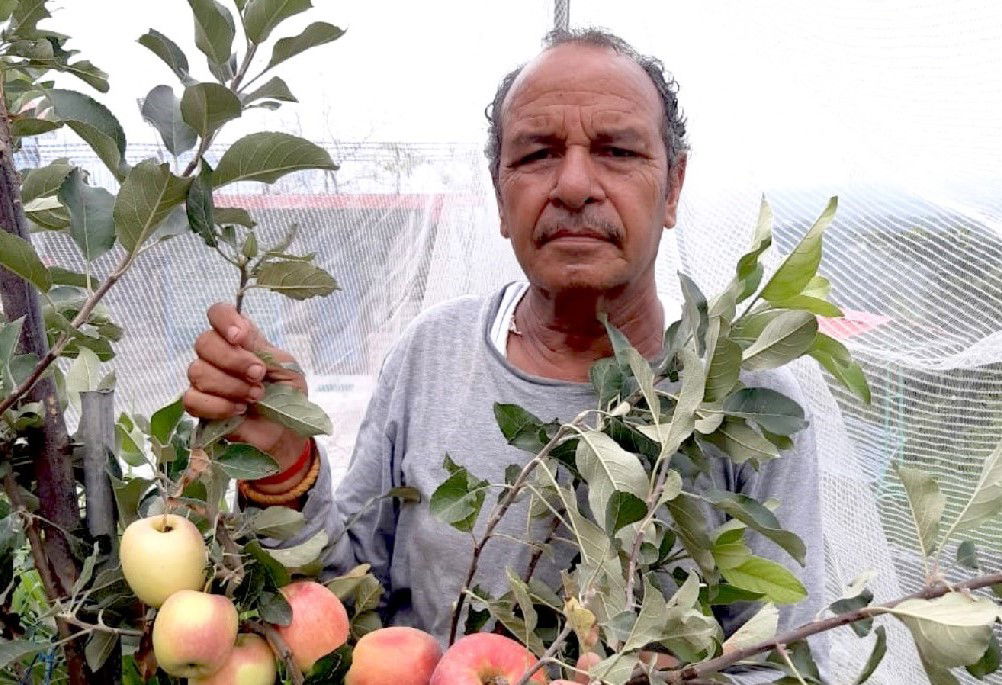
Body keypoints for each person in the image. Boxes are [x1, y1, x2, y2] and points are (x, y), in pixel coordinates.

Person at [183, 28, 826, 681]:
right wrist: (283, 468)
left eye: (618, 150)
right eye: (538, 154)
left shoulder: (748, 401)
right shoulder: (432, 355)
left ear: (673, 186)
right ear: (498, 195)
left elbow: (792, 661)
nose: (574, 184)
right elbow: (338, 600)